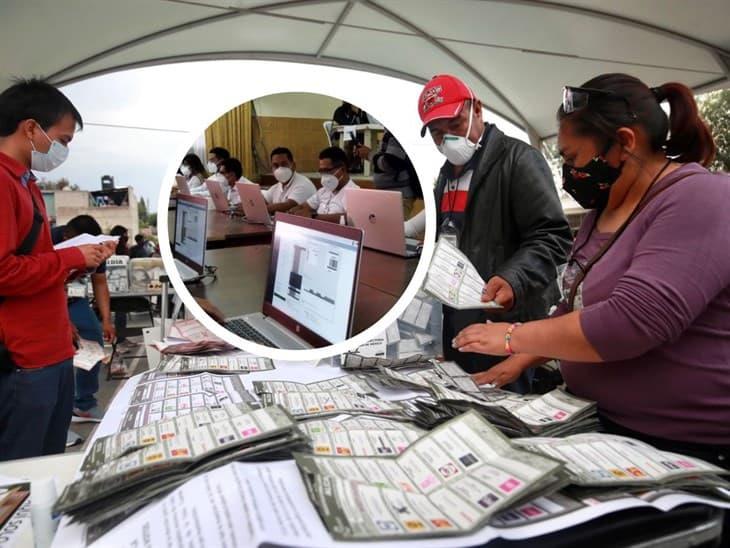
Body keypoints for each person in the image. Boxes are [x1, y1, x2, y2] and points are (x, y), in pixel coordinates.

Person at [453, 73, 729, 467]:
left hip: (686, 447)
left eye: (572, 158)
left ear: (625, 142)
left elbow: (633, 322)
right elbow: (576, 306)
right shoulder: (605, 210)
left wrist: (514, 336)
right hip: (606, 428)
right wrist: (524, 356)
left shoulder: (700, 197)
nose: (568, 174)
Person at [418, 74, 572, 391]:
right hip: (457, 317)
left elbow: (552, 236)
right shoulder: (445, 177)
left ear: (477, 108)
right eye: (436, 133)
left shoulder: (519, 160)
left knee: (505, 405)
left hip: (507, 318)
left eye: (455, 125)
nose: (447, 140)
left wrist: (515, 277)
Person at [0, 78, 114, 460]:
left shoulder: (24, 181)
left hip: (49, 348)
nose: (62, 150)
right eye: (62, 140)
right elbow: (3, 272)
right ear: (30, 128)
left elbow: (30, 262)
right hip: (24, 359)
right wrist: (71, 259)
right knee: (23, 475)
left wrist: (65, 286)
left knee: (47, 464)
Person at [51, 215, 114, 423]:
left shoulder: (96, 245)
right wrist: (62, 322)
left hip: (73, 298)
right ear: (68, 237)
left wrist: (106, 319)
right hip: (45, 298)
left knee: (93, 335)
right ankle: (56, 415)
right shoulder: (49, 239)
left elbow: (100, 282)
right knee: (56, 351)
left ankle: (84, 403)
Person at [355, 130, 421, 218]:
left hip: (398, 195)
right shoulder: (388, 132)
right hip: (392, 195)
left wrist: (369, 154)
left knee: (393, 230)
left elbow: (392, 162)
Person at [291, 146, 359, 223]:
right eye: (321, 172)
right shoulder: (323, 191)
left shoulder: (355, 194)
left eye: (327, 171)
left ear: (342, 169)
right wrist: (294, 211)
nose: (324, 175)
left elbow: (351, 218)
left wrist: (314, 217)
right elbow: (304, 206)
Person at [262, 147, 316, 214]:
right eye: (276, 165)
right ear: (272, 169)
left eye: (284, 164)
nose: (280, 168)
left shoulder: (303, 184)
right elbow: (264, 200)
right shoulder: (277, 186)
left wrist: (260, 209)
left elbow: (288, 205)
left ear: (293, 165)